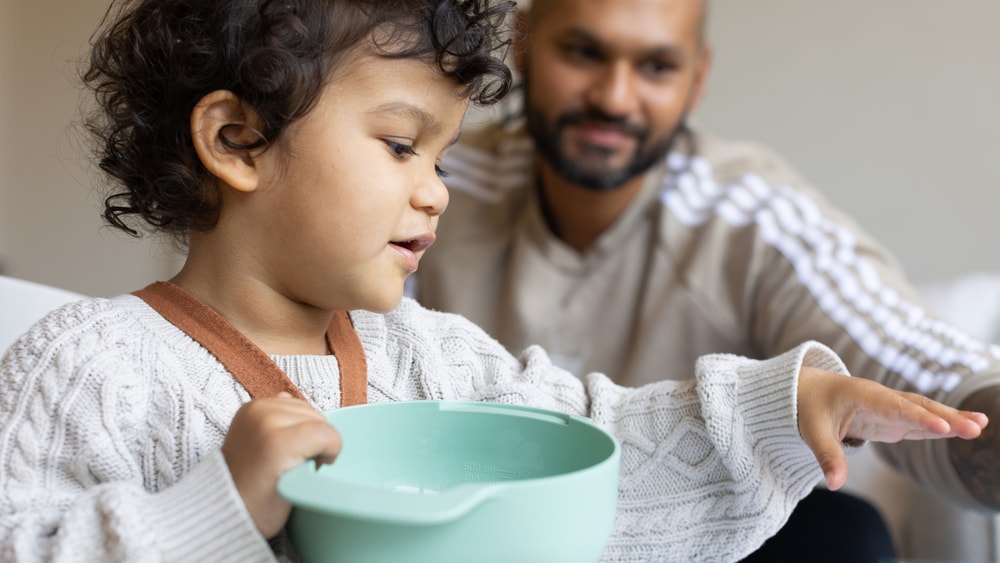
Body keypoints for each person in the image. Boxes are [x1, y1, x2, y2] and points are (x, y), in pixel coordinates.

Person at [0, 0, 986, 561]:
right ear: (238, 138)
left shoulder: (430, 356)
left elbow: (604, 442)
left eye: (441, 157)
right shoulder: (86, 368)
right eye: (400, 146)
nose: (435, 193)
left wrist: (780, 403)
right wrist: (215, 507)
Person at [411, 0, 1000, 560]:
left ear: (697, 78)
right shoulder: (429, 181)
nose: (615, 98)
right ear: (523, 46)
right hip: (462, 528)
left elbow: (904, 350)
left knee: (843, 533)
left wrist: (978, 409)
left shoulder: (750, 212)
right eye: (584, 53)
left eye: (656, 66)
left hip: (701, 545)